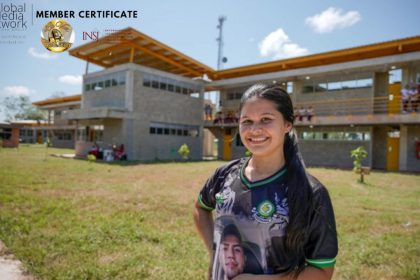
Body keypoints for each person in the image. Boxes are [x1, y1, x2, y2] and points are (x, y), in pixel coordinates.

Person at [194, 83, 338, 280]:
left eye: (266, 119)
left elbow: (322, 271)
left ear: (287, 124)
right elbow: (201, 208)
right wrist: (217, 251)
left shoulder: (312, 192)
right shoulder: (224, 174)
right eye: (246, 121)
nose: (254, 130)